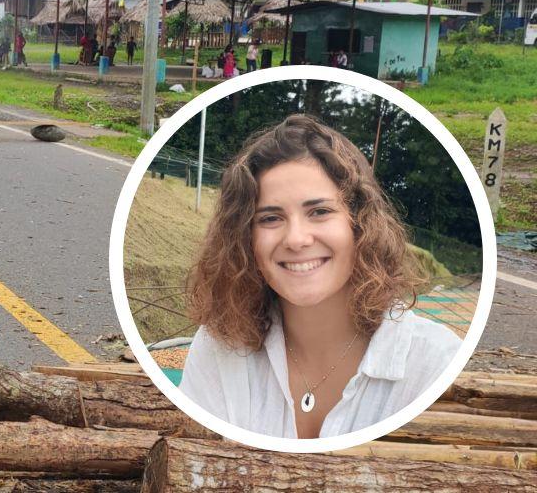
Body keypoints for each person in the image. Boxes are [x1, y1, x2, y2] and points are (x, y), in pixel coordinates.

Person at [178, 115, 460, 439]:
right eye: (270, 218)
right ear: (245, 238)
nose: (296, 239)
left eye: (320, 212)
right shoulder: (219, 347)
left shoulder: (435, 363)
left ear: (359, 223)